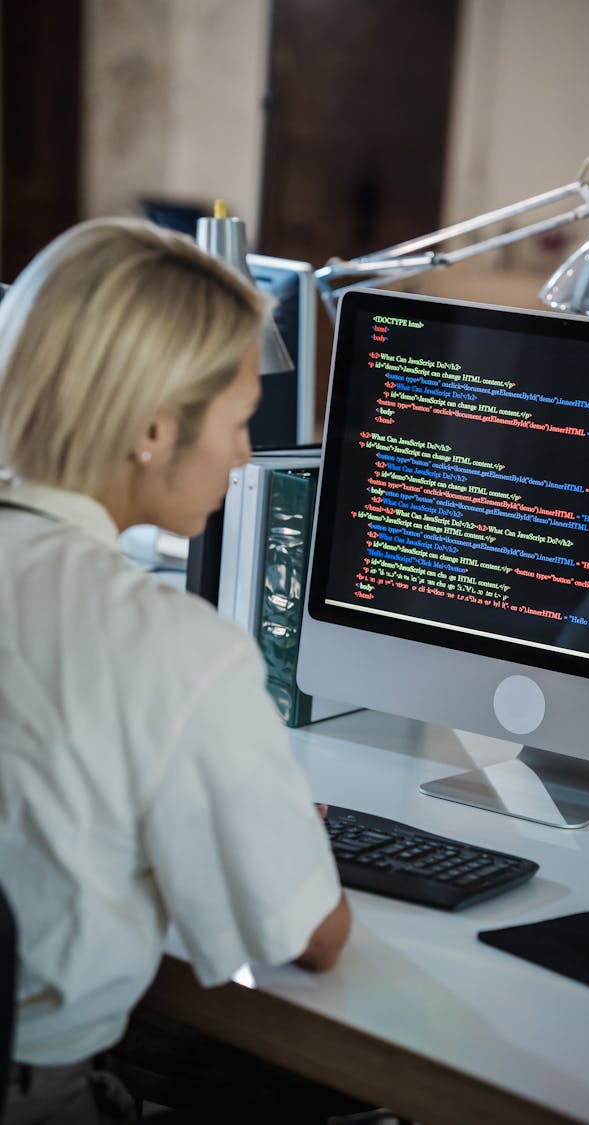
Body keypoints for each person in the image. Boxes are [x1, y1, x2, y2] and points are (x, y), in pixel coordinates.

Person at [0, 218, 351, 1123]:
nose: (244, 455)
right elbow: (312, 936)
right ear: (154, 428)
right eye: (239, 421)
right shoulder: (164, 645)